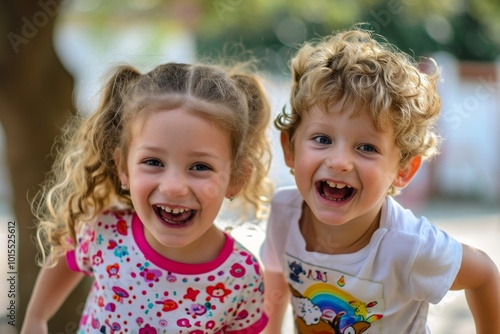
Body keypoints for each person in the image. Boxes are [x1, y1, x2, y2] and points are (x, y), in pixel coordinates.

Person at [260, 27, 500, 333]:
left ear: (403, 170)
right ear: (289, 148)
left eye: (367, 147)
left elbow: (483, 274)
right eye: (322, 139)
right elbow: (277, 275)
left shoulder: (410, 246)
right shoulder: (283, 210)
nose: (339, 162)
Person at [21, 60, 274, 334]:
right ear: (123, 167)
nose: (174, 187)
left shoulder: (241, 275)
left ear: (236, 178)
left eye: (200, 167)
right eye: (153, 162)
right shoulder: (104, 232)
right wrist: (35, 318)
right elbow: (64, 255)